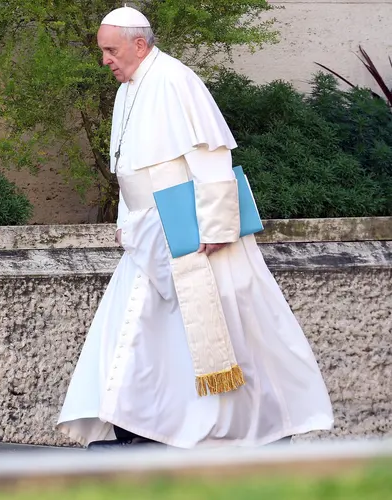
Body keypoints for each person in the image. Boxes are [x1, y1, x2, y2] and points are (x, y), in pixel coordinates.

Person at [56, 6, 334, 450]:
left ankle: (233, 429)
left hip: (192, 233)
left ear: (139, 44)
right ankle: (138, 430)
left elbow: (212, 158)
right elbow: (130, 169)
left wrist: (216, 227)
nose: (105, 59)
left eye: (110, 49)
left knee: (203, 333)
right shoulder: (130, 87)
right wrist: (125, 222)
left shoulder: (175, 80)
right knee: (136, 334)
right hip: (147, 232)